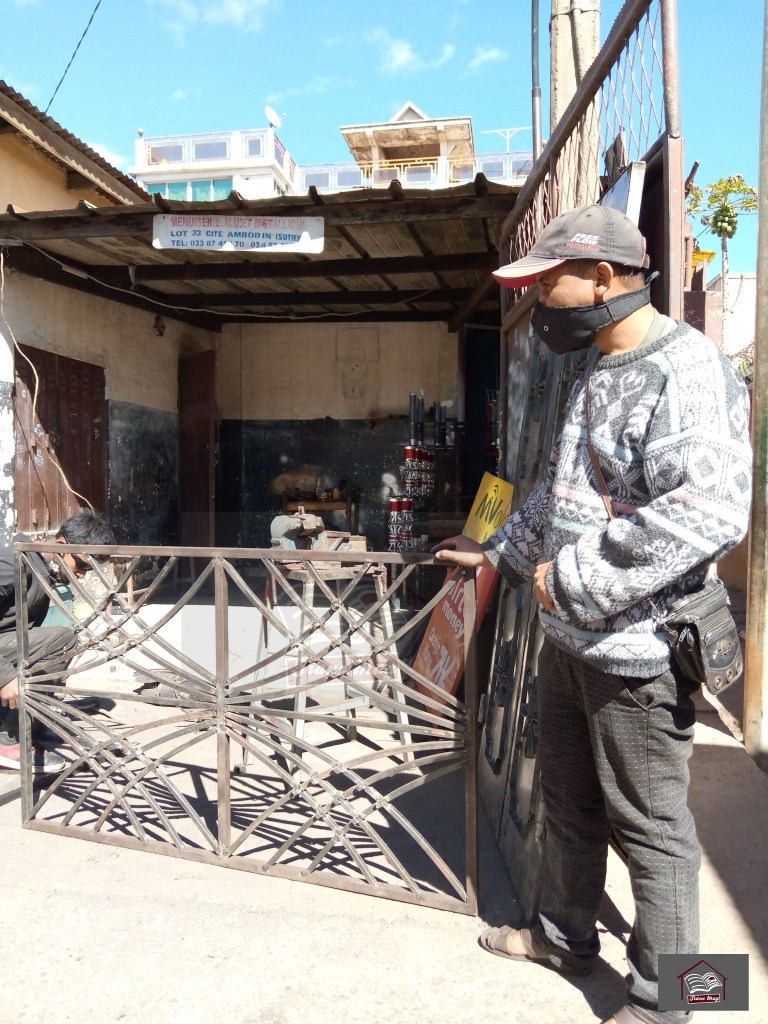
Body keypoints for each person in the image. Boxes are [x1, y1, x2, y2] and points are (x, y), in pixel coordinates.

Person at [433, 204, 752, 1024]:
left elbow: (710, 511)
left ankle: (674, 1002)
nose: (539, 302)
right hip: (570, 644)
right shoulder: (599, 368)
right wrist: (498, 554)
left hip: (640, 655)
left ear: (604, 278)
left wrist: (572, 579)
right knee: (568, 804)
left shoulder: (688, 370)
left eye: (549, 284)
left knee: (655, 833)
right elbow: (558, 490)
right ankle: (563, 938)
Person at [0, 509, 115, 775]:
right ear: (62, 545)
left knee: (61, 638)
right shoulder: (11, 565)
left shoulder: (38, 568)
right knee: (61, 639)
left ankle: (30, 725)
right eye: (82, 566)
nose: (82, 575)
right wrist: (4, 676)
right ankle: (8, 739)